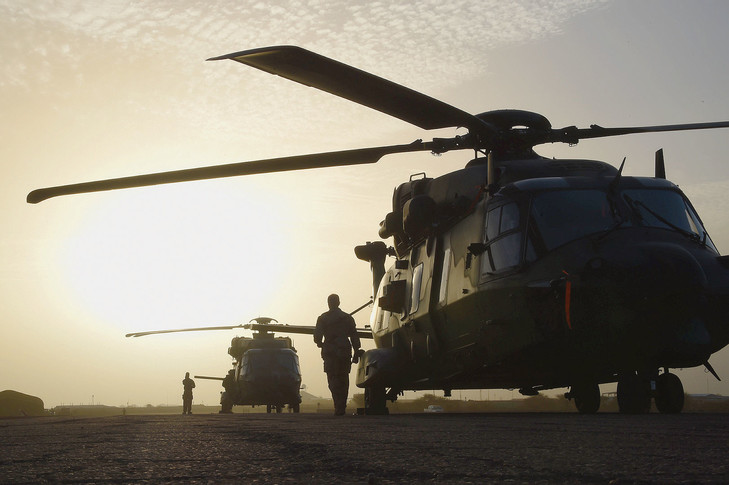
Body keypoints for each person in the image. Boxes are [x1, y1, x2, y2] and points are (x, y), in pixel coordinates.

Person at [314, 294, 361, 415]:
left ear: (328, 303)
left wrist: (321, 344)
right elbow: (354, 336)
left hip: (330, 351)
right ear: (339, 303)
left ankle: (338, 404)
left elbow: (317, 337)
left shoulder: (323, 318)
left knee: (332, 378)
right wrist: (356, 351)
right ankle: (342, 405)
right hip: (344, 351)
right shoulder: (347, 318)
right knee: (343, 378)